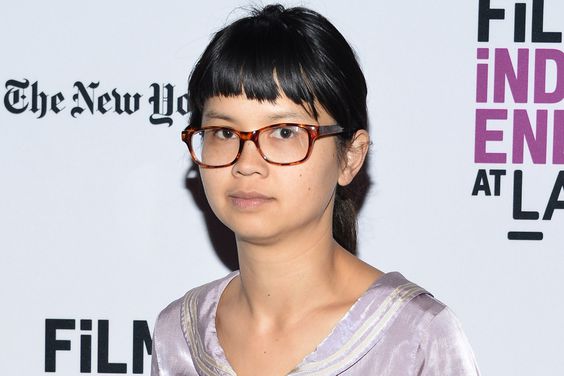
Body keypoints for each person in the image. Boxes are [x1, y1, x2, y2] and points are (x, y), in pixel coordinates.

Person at [151, 4, 480, 375]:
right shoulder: (179, 334)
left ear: (350, 157)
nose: (246, 163)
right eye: (225, 133)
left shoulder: (415, 337)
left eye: (285, 132)